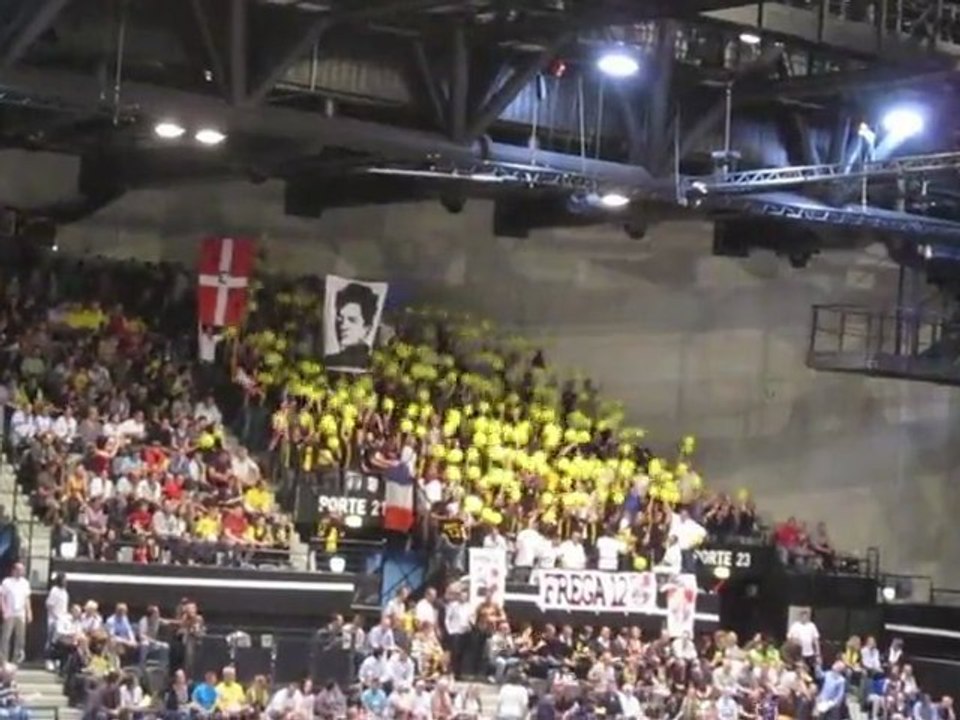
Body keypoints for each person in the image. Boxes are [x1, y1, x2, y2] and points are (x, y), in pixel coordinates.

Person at [325, 283, 379, 369]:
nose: (343, 326)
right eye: (340, 319)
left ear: (367, 328)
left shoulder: (373, 363)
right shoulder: (330, 361)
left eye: (352, 320)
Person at [0, 564, 31, 665]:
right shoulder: (6, 582)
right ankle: (3, 660)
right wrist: (4, 610)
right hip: (9, 613)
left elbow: (27, 598)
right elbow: (1, 597)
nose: (21, 572)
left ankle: (15, 661)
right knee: (6, 637)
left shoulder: (25, 583)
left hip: (20, 613)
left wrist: (29, 611)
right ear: (13, 570)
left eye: (22, 570)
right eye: (19, 570)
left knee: (20, 638)